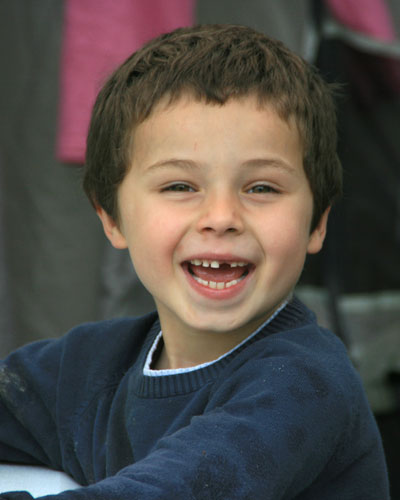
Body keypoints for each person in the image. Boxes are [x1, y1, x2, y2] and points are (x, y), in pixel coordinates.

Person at [0, 24, 389, 499]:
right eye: (180, 187)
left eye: (262, 188)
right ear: (112, 218)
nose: (221, 217)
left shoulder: (304, 387)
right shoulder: (90, 367)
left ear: (317, 224)